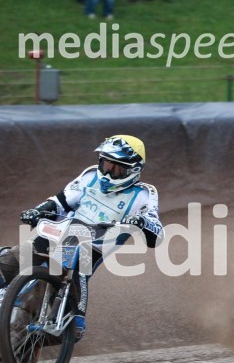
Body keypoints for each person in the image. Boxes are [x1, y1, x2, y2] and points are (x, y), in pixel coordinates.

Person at [0, 135, 164, 340]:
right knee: (12, 257)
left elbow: (157, 234)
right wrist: (37, 211)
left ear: (133, 170)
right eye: (105, 164)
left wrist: (142, 222)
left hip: (93, 245)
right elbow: (60, 202)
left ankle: (74, 318)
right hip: (60, 232)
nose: (108, 172)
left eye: (116, 168)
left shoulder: (144, 194)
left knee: (69, 275)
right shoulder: (90, 176)